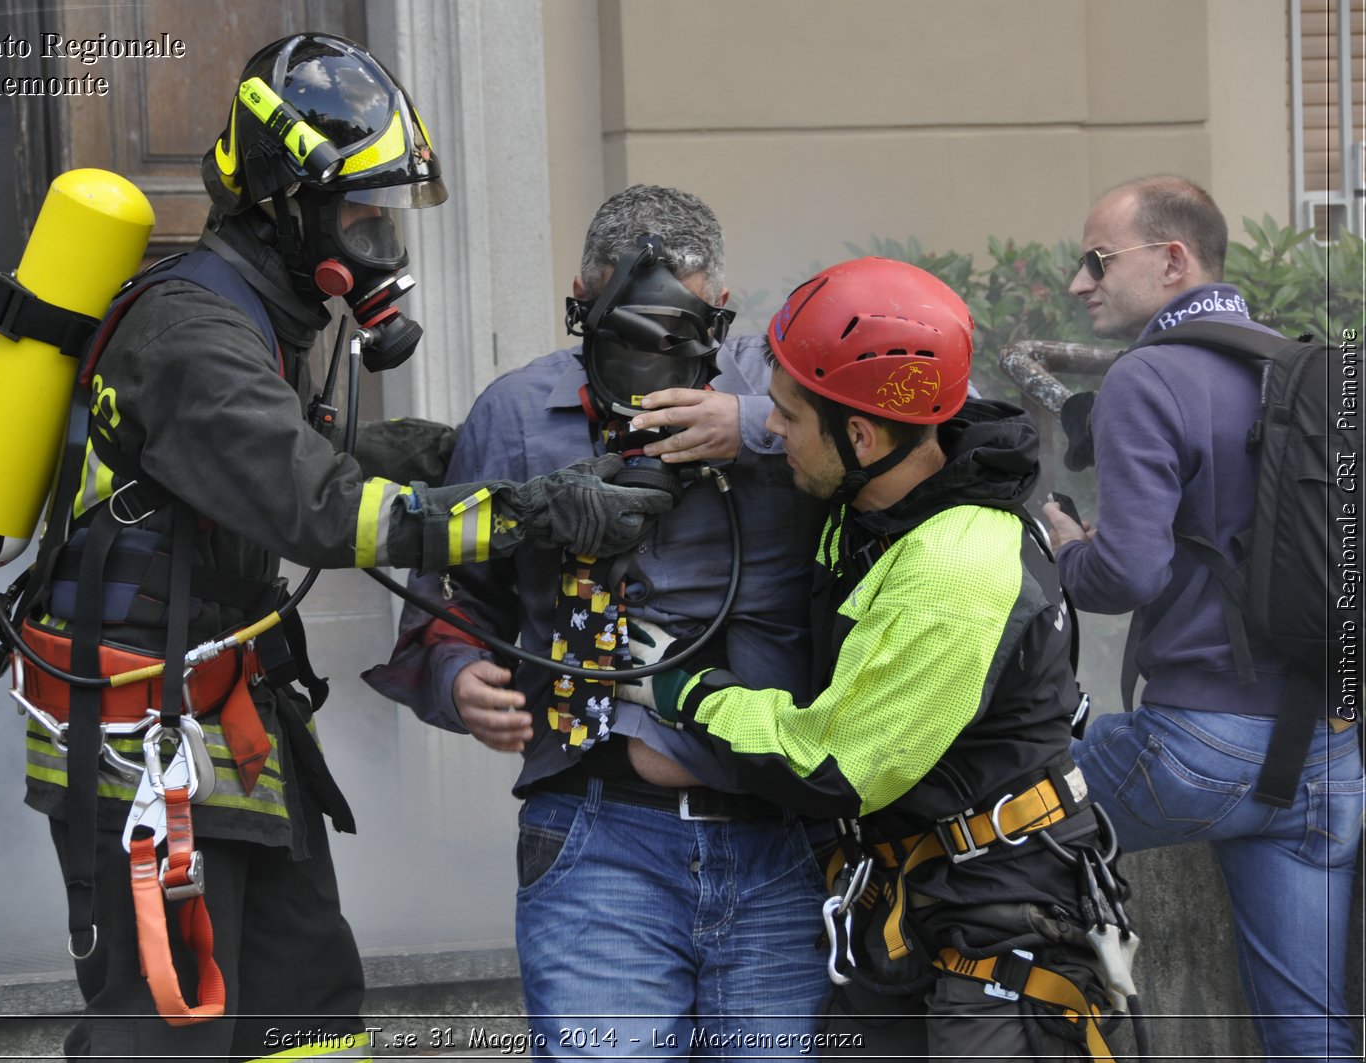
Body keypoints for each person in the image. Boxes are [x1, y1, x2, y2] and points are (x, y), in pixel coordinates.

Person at [12, 35, 674, 1060]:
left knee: (306, 1004)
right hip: (144, 739)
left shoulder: (251, 318)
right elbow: (326, 510)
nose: (379, 245)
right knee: (170, 1026)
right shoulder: (192, 333)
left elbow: (301, 449)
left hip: (222, 717)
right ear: (289, 204)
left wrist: (464, 449)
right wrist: (528, 512)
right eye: (362, 216)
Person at [619, 257, 1125, 1061]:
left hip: (1000, 931)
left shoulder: (956, 565)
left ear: (861, 433)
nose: (769, 428)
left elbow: (835, 765)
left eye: (785, 415)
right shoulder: (869, 504)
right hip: (913, 910)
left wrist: (685, 692)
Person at [365, 185, 830, 1057]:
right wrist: (457, 675)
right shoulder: (515, 413)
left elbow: (943, 442)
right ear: (578, 301)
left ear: (720, 310)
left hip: (785, 845)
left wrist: (760, 425)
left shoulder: (791, 400)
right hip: (597, 841)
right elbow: (452, 601)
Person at [1044, 174, 1363, 1063]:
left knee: (983, 808)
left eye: (1098, 260)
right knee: (1314, 1032)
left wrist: (1067, 549)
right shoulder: (1307, 368)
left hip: (1199, 755)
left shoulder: (1150, 376)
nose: (1080, 283)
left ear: (1172, 260)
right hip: (1328, 757)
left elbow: (1127, 573)